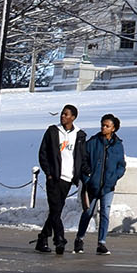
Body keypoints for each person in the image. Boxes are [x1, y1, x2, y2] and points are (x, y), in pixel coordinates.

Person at [35, 104, 87, 255]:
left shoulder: (79, 135)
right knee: (55, 210)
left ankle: (42, 238)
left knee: (55, 211)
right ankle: (60, 239)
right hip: (54, 177)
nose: (63, 116)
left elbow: (81, 157)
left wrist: (81, 174)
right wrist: (49, 173)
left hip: (68, 179)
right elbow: (43, 153)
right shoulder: (52, 131)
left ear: (73, 117)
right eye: (62, 114)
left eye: (66, 114)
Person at [74, 113, 127, 256]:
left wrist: (115, 177)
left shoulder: (118, 145)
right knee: (88, 212)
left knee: (105, 213)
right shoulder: (93, 142)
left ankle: (101, 243)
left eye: (107, 126)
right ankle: (79, 238)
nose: (104, 127)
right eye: (102, 125)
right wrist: (87, 178)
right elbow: (83, 161)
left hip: (108, 186)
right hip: (92, 185)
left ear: (114, 128)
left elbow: (121, 165)